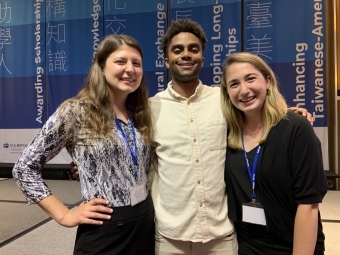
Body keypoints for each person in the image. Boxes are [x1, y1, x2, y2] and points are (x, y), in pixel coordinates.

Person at [70, 20, 313, 254]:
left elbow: (255, 110)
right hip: (169, 238)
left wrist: (288, 113)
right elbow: (128, 147)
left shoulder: (223, 100)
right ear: (167, 60)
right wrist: (89, 166)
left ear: (202, 58)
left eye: (193, 49)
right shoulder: (149, 109)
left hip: (221, 236)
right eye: (177, 50)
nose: (186, 54)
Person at [12, 34, 156, 255]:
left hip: (144, 221)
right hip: (105, 227)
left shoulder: (142, 112)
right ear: (101, 66)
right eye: (120, 61)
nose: (130, 69)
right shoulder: (76, 111)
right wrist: (64, 214)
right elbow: (24, 168)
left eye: (136, 63)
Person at [221, 52, 328, 255]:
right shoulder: (227, 133)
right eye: (234, 84)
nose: (244, 90)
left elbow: (309, 206)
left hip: (292, 245)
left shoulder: (295, 129)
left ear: (268, 81)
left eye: (251, 78)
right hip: (246, 247)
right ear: (227, 92)